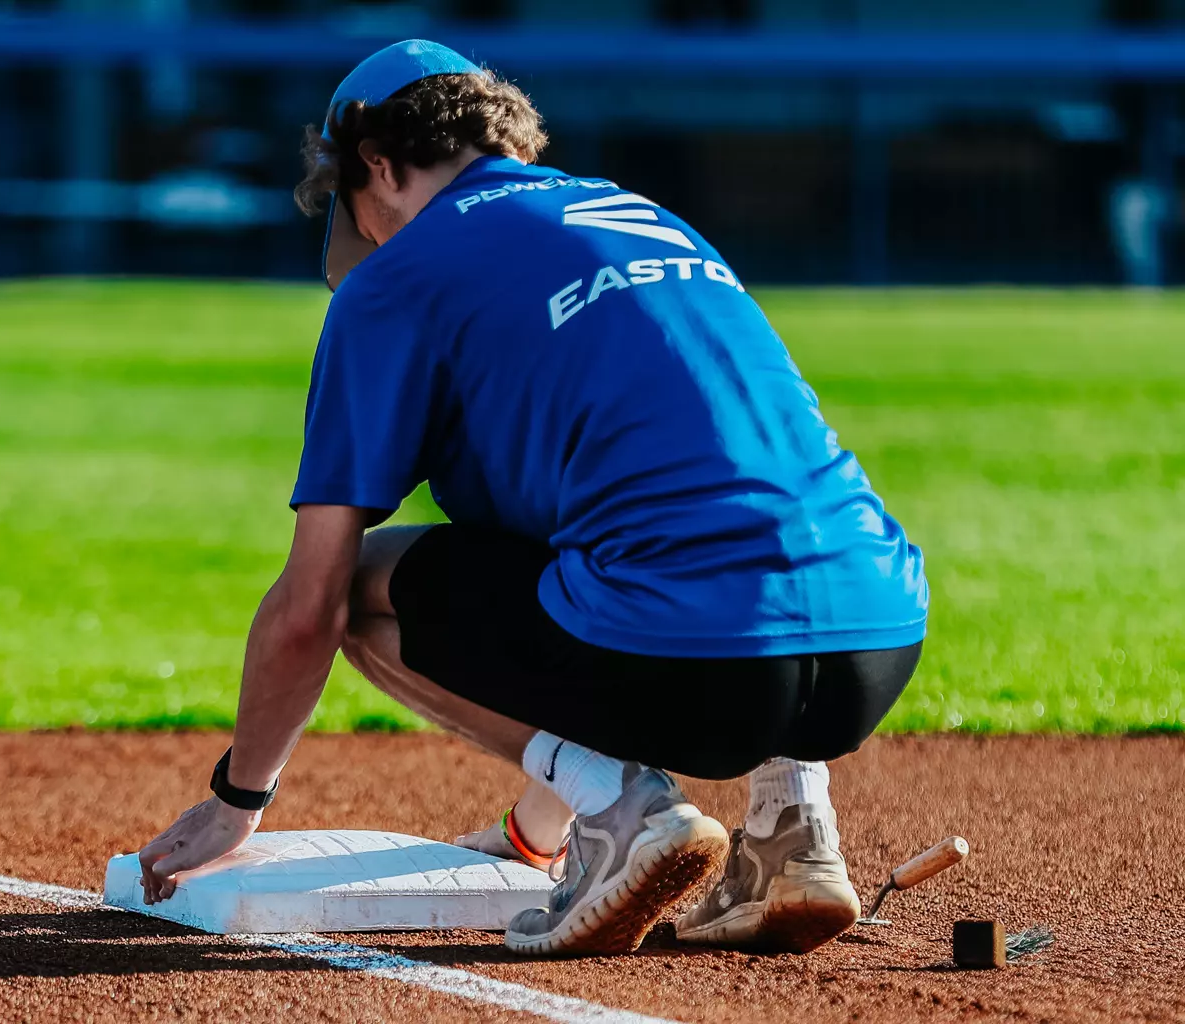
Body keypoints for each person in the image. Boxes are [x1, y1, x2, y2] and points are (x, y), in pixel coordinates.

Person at [134, 40, 928, 958]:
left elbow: (310, 604)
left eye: (357, 209)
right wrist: (527, 843)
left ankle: (630, 812)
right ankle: (794, 830)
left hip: (702, 673)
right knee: (703, 528)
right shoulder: (643, 217)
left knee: (365, 582)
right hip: (875, 649)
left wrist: (239, 799)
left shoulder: (398, 277)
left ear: (378, 166)